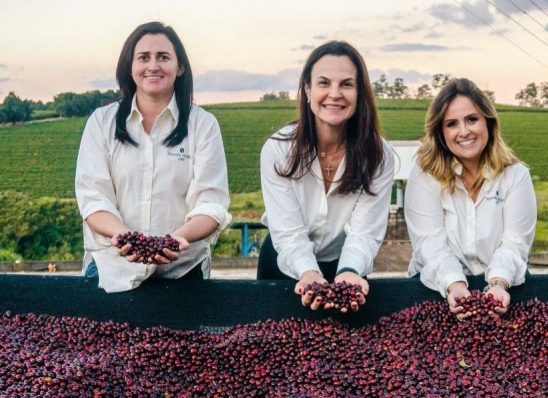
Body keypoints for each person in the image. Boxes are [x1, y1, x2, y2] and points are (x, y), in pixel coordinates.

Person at [75, 22, 231, 293]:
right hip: (109, 269)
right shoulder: (101, 122)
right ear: (130, 66)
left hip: (182, 272)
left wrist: (177, 239)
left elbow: (212, 203)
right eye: (143, 57)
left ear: (179, 67)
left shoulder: (203, 125)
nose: (153, 66)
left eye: (163, 57)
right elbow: (93, 198)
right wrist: (125, 237)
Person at [258, 41, 395, 312]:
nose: (335, 94)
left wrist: (349, 271)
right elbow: (288, 233)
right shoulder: (278, 149)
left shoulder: (379, 155)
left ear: (360, 92)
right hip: (285, 265)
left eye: (346, 84)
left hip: (347, 268)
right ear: (308, 90)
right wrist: (308, 273)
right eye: (323, 83)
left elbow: (365, 233)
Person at [405, 78, 537, 319]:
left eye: (472, 119)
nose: (464, 131)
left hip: (504, 293)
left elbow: (515, 244)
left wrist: (498, 283)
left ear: (488, 121)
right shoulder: (424, 175)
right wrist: (454, 284)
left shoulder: (515, 175)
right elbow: (430, 244)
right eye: (452, 124)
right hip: (438, 290)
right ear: (440, 132)